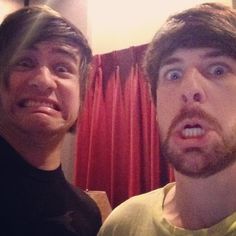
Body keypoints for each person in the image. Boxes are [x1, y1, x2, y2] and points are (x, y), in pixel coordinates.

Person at [98, 2, 236, 235]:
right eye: (173, 74)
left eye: (217, 70)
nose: (190, 89)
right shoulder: (121, 225)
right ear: (155, 104)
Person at [0, 5, 101, 236]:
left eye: (62, 68)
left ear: (81, 93)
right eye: (24, 62)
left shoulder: (87, 213)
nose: (44, 81)